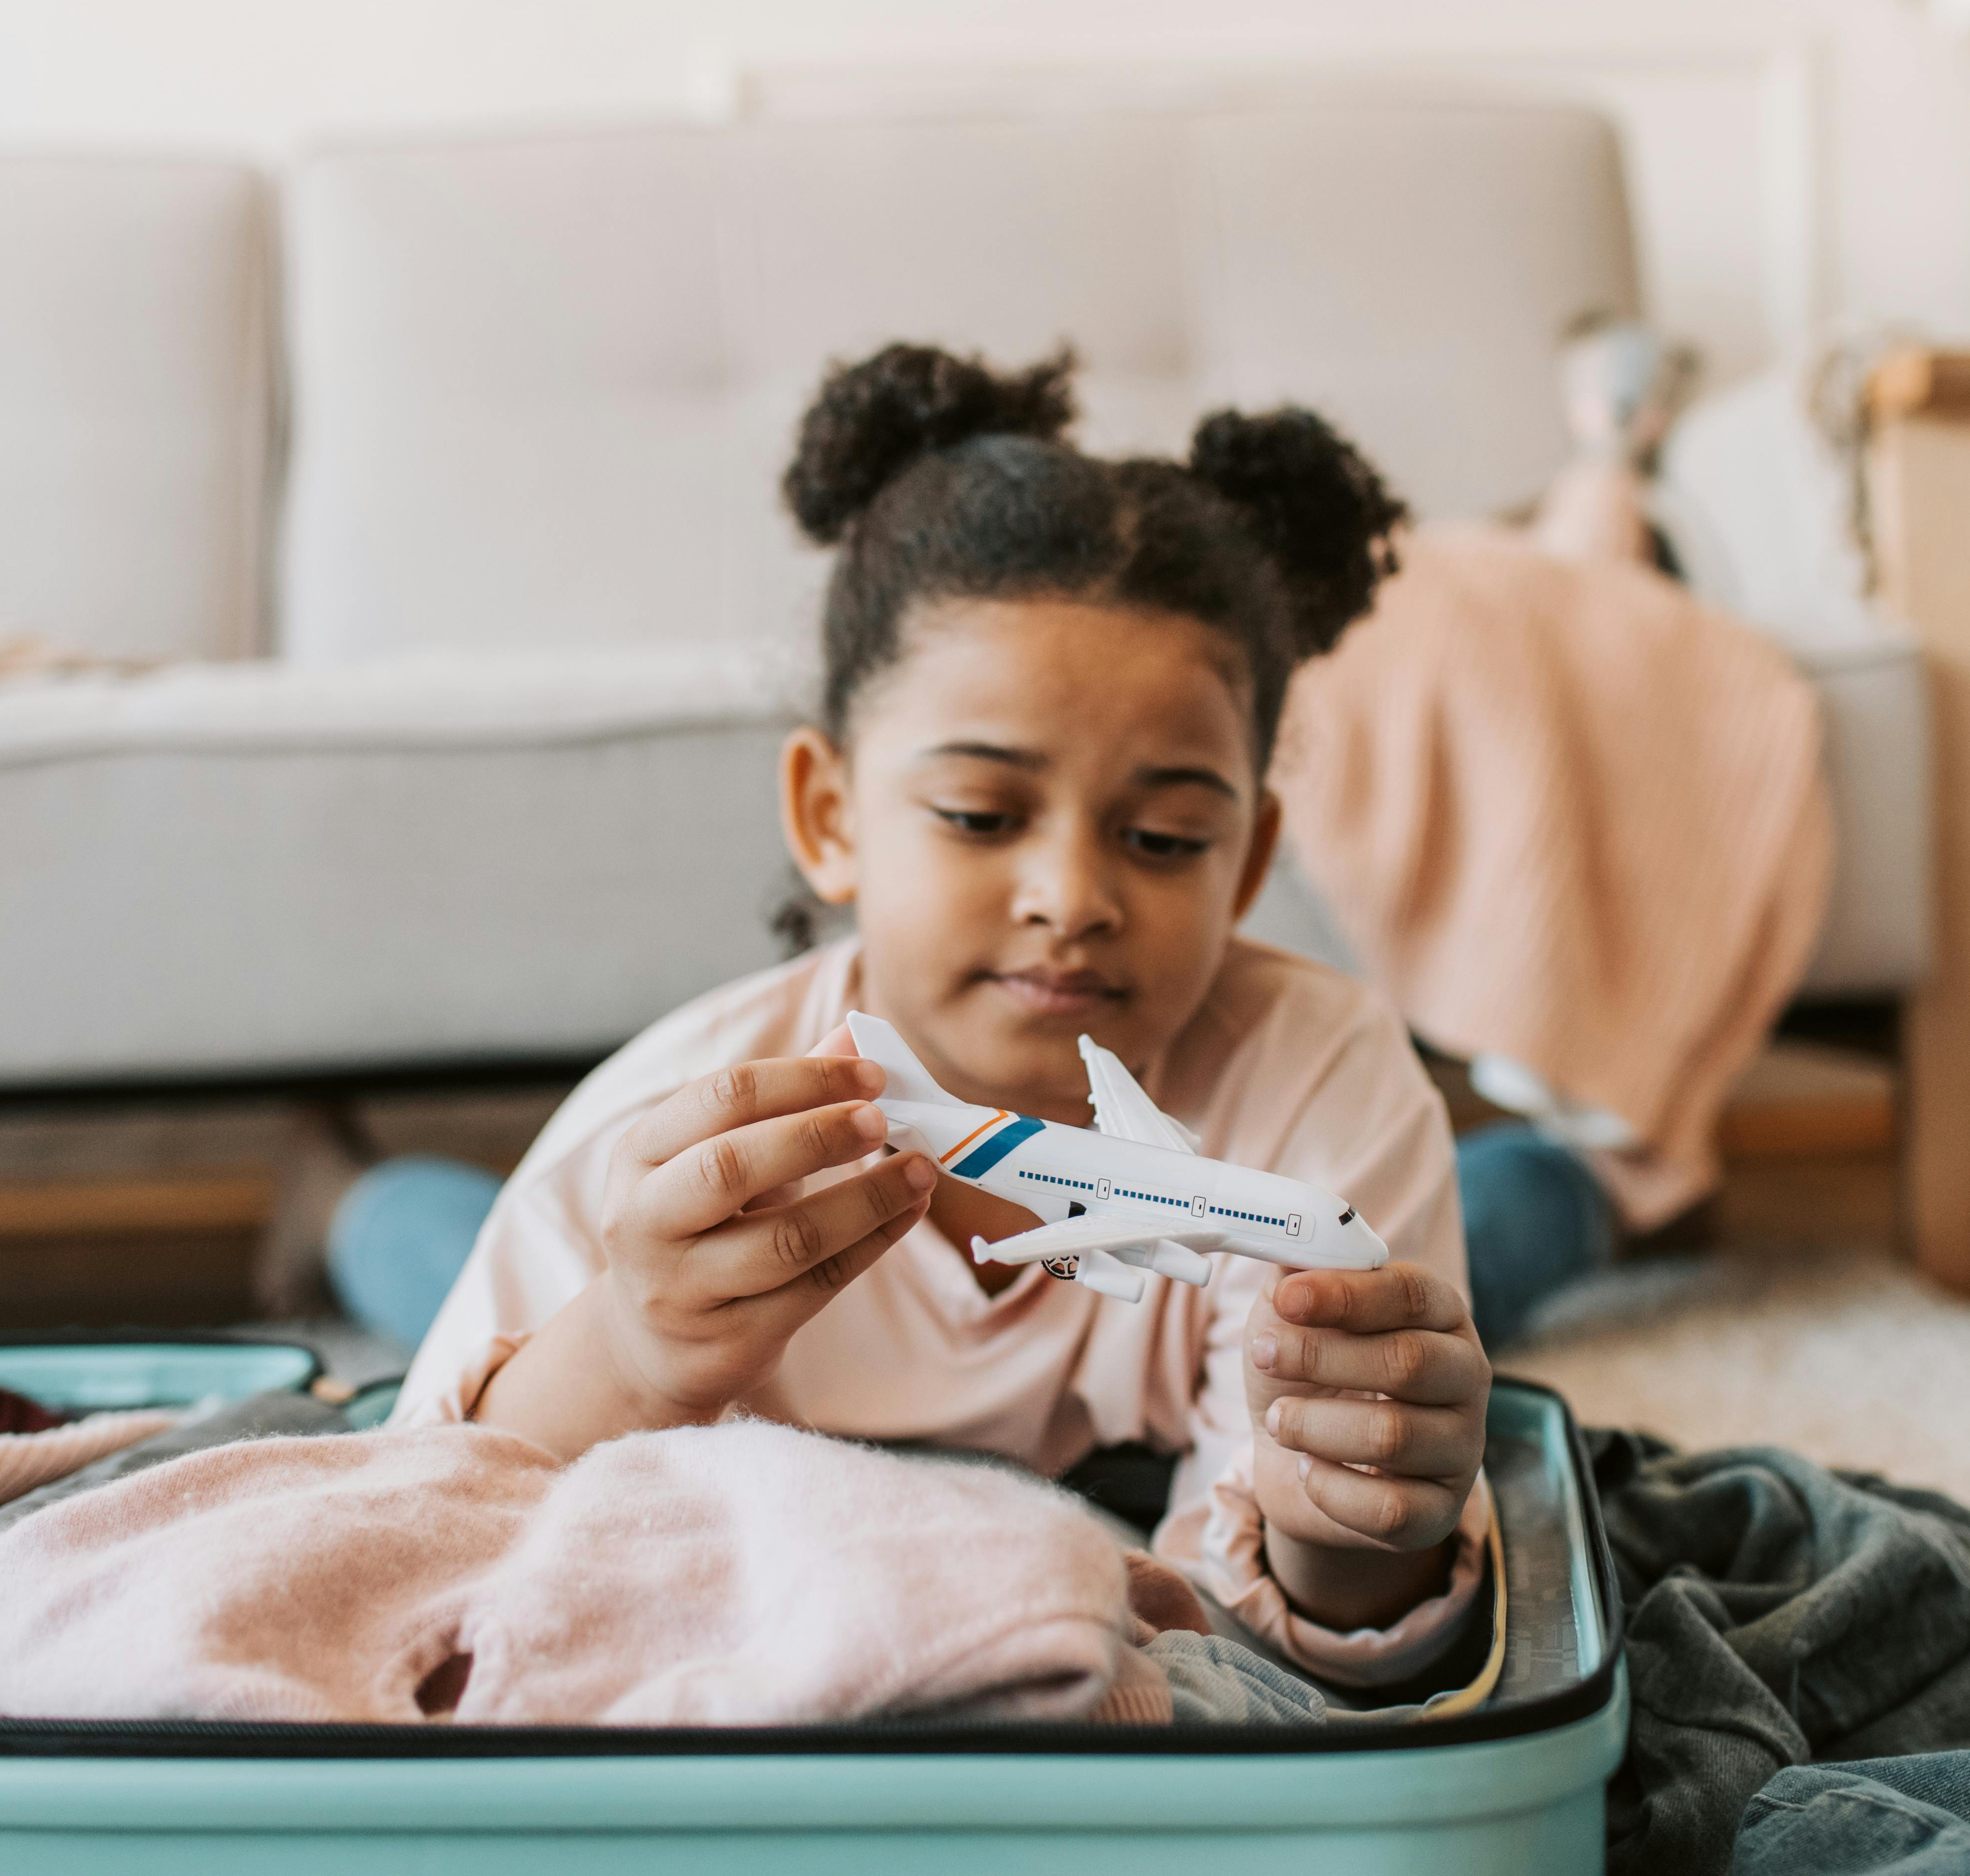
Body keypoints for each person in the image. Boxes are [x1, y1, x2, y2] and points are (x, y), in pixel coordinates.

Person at [359, 343, 1518, 1677]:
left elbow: (1285, 1657)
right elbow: (420, 1522)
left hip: (1287, 1237)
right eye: (980, 816)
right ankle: (356, 1200)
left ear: (1250, 861)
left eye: (1163, 837)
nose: (1072, 896)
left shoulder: (1323, 1084)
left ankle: (1560, 1191)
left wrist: (1351, 1534)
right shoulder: (666, 1128)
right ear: (829, 816)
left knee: (1496, 1261)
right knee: (426, 1246)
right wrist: (629, 1346)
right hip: (585, 1247)